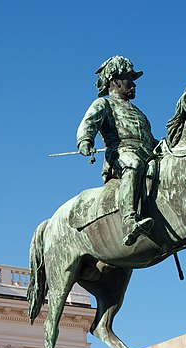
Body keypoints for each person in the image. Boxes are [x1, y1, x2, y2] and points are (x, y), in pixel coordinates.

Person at [77, 55, 158, 246]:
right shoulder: (104, 104)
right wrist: (85, 140)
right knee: (133, 164)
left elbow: (149, 138)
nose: (134, 85)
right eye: (129, 79)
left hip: (147, 153)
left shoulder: (139, 113)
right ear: (115, 81)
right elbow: (88, 123)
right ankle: (129, 221)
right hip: (121, 153)